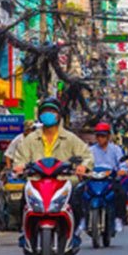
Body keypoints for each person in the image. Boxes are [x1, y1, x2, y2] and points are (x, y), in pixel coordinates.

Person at [12, 98, 93, 228]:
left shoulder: (70, 138)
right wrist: (19, 167)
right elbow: (20, 158)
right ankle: (24, 232)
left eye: (52, 111)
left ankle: (75, 231)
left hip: (64, 182)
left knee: (77, 203)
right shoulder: (30, 139)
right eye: (45, 111)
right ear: (40, 115)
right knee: (23, 202)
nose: (48, 114)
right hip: (36, 182)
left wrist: (83, 166)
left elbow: (86, 155)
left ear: (59, 115)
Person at [84, 122, 128, 233]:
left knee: (122, 194)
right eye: (98, 135)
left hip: (110, 180)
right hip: (94, 180)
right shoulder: (90, 150)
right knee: (80, 193)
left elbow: (122, 165)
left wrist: (122, 171)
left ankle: (119, 218)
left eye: (103, 136)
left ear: (108, 136)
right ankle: (82, 219)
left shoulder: (116, 149)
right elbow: (85, 163)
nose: (100, 138)